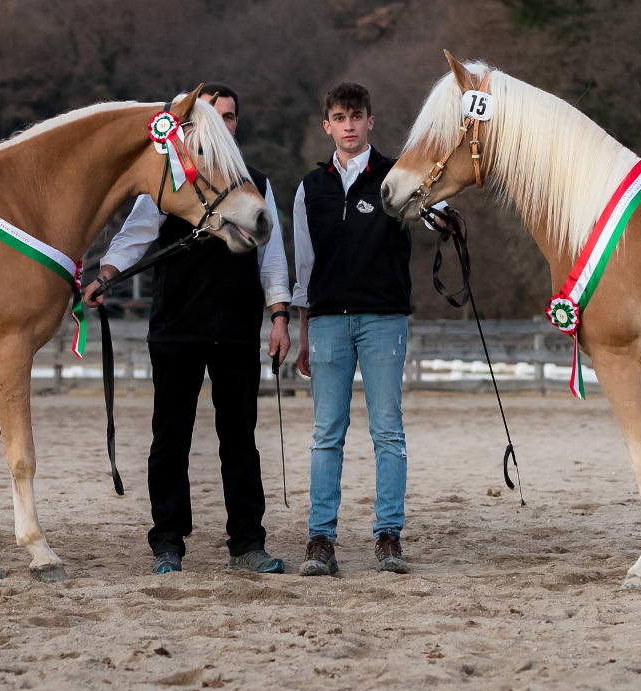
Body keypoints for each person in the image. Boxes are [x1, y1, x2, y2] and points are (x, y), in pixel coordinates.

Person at [83, 83, 291, 576]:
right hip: (176, 329)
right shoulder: (172, 180)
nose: (227, 122)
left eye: (232, 115)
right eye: (217, 115)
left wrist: (279, 316)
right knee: (170, 438)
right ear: (195, 126)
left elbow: (273, 258)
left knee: (239, 439)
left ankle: (246, 542)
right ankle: (168, 543)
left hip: (238, 329)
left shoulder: (257, 182)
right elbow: (133, 237)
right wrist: (107, 275)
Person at [291, 82, 418, 576]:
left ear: (370, 122)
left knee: (388, 430)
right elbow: (304, 264)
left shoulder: (395, 176)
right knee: (327, 433)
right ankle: (320, 539)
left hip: (384, 319)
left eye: (357, 116)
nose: (349, 125)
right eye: (340, 117)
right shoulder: (310, 187)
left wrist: (450, 219)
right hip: (325, 321)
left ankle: (389, 536)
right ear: (328, 125)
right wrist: (303, 329)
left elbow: (429, 211)